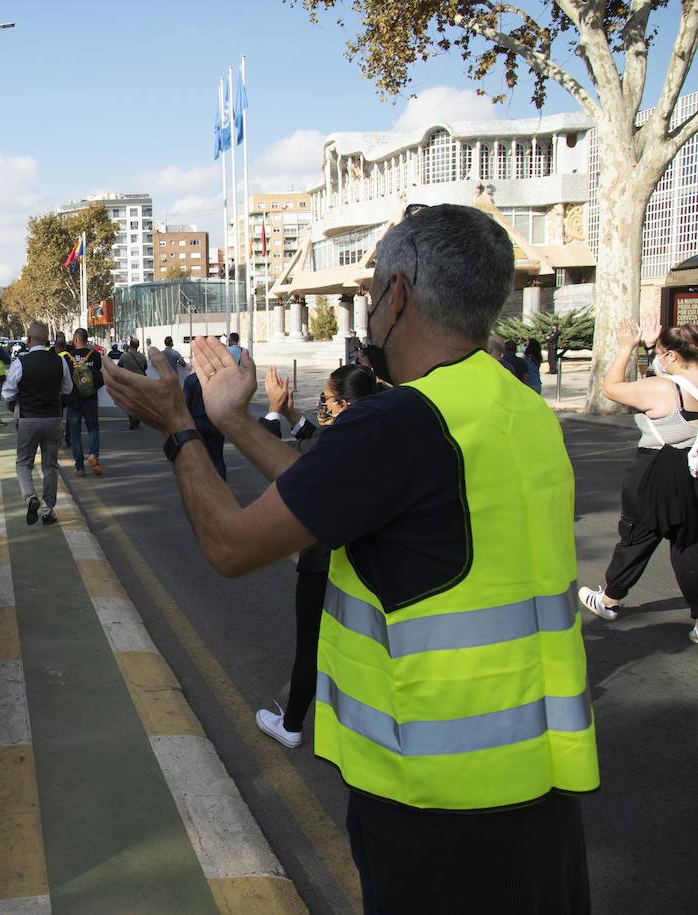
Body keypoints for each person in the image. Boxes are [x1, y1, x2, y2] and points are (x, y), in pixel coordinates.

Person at [104, 204, 596, 913]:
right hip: (537, 800)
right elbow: (333, 492)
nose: (367, 309)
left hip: (435, 811)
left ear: (399, 291)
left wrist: (181, 427)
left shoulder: (400, 422)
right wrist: (234, 419)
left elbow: (232, 544)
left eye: (370, 293)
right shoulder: (518, 409)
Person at [254, 365, 382, 750]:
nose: (320, 406)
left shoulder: (338, 443)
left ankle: (291, 724)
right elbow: (317, 438)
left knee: (309, 647)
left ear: (343, 405)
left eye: (325, 400)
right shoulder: (377, 434)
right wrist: (294, 416)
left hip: (322, 562)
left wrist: (274, 412)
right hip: (366, 563)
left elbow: (274, 462)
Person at [578, 317, 698, 644]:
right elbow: (658, 379)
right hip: (691, 469)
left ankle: (609, 600)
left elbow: (612, 388)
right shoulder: (682, 381)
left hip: (657, 469)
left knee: (636, 534)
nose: (657, 358)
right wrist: (648, 347)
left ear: (673, 356)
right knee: (687, 542)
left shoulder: (663, 388)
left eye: (661, 352)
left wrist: (626, 347)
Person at [2, 320, 71, 526]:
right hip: (53, 420)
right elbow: (67, 389)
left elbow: (7, 393)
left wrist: (19, 400)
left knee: (24, 463)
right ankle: (48, 511)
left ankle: (30, 497)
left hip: (28, 420)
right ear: (47, 339)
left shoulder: (20, 362)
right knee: (50, 466)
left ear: (28, 339)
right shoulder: (59, 361)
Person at [65, 328, 105, 476]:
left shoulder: (67, 357)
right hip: (90, 398)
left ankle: (79, 467)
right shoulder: (94, 355)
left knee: (75, 434)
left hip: (73, 400)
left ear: (75, 340)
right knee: (93, 428)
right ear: (87, 340)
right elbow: (98, 375)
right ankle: (94, 454)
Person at [118, 339, 149, 429]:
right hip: (140, 382)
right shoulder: (142, 357)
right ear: (138, 346)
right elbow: (145, 367)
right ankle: (137, 418)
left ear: (130, 345)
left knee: (129, 401)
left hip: (127, 382)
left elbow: (119, 366)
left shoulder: (124, 356)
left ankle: (132, 418)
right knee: (139, 401)